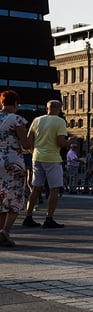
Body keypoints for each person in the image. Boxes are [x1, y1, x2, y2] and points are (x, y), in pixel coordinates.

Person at [21, 100, 73, 229]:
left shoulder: (37, 120)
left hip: (37, 157)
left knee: (35, 188)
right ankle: (49, 218)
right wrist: (70, 141)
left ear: (46, 108)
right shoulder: (60, 121)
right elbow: (61, 142)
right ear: (60, 109)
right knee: (54, 189)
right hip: (52, 158)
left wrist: (33, 152)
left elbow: (28, 140)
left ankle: (28, 216)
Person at [0, 90, 32, 246]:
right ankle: (5, 231)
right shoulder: (17, 119)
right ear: (15, 103)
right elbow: (25, 144)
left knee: (1, 196)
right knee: (15, 196)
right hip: (13, 161)